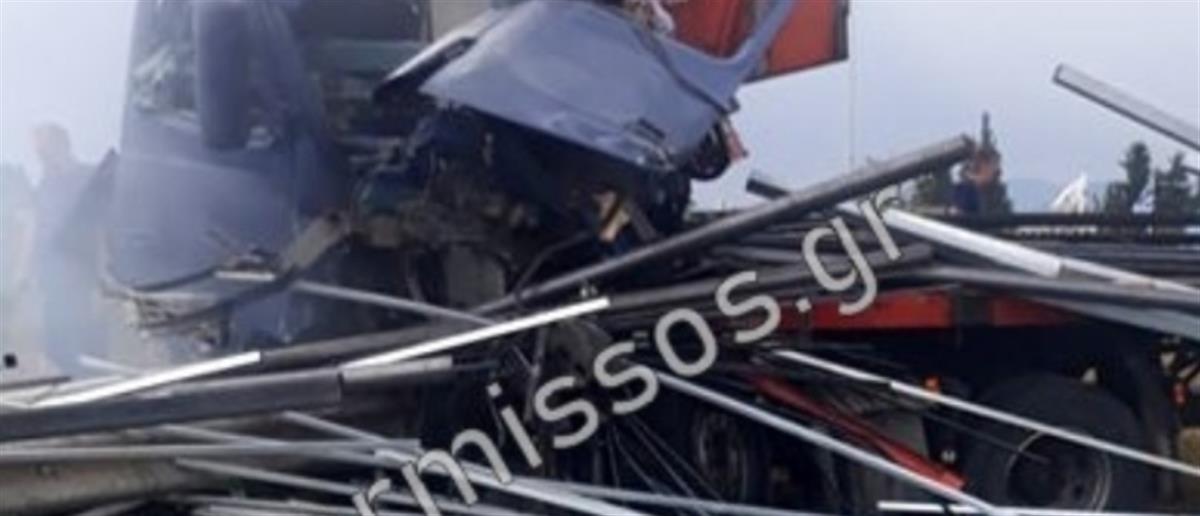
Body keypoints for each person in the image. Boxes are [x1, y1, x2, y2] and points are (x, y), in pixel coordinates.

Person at [30, 123, 108, 374]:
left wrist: (102, 281)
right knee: (57, 349)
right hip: (53, 282)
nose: (41, 158)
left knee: (91, 351)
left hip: (85, 278)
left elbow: (103, 229)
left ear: (62, 145)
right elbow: (39, 230)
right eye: (38, 153)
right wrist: (32, 275)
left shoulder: (88, 178)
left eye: (44, 150)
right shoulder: (45, 185)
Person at [953, 146, 1001, 215]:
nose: (997, 171)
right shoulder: (967, 192)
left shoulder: (987, 192)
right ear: (984, 165)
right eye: (994, 166)